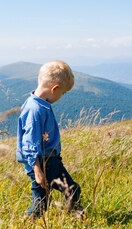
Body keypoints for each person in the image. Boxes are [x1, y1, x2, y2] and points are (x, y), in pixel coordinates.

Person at [16, 61, 83, 218]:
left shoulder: (38, 104)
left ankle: (28, 226)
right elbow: (29, 143)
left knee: (42, 199)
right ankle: (78, 218)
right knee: (71, 190)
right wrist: (37, 170)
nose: (61, 97)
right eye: (63, 93)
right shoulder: (35, 110)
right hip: (44, 162)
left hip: (47, 161)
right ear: (55, 89)